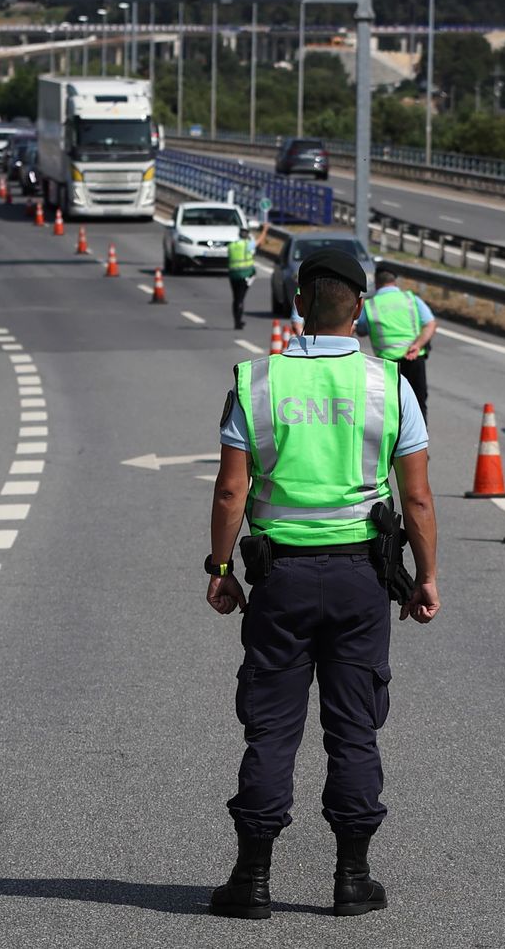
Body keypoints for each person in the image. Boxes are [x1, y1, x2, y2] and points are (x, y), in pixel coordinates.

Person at [206, 248, 440, 921]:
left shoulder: (257, 381)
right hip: (360, 578)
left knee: (271, 730)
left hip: (278, 578)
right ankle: (352, 878)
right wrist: (426, 578)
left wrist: (221, 570)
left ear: (299, 300)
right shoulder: (389, 385)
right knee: (355, 729)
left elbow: (230, 490)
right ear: (360, 307)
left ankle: (251, 881)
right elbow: (418, 499)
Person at [358, 269, 436, 420]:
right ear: (394, 281)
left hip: (388, 363)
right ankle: (419, 440)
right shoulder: (410, 298)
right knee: (418, 403)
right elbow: (430, 324)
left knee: (392, 407)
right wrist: (418, 345)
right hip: (414, 357)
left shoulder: (370, 305)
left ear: (377, 283)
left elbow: (361, 329)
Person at [227, 226, 257, 330]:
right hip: (244, 275)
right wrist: (265, 231)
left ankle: (236, 320)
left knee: (235, 298)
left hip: (233, 275)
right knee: (240, 299)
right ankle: (238, 322)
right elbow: (259, 242)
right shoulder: (247, 244)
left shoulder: (231, 245)